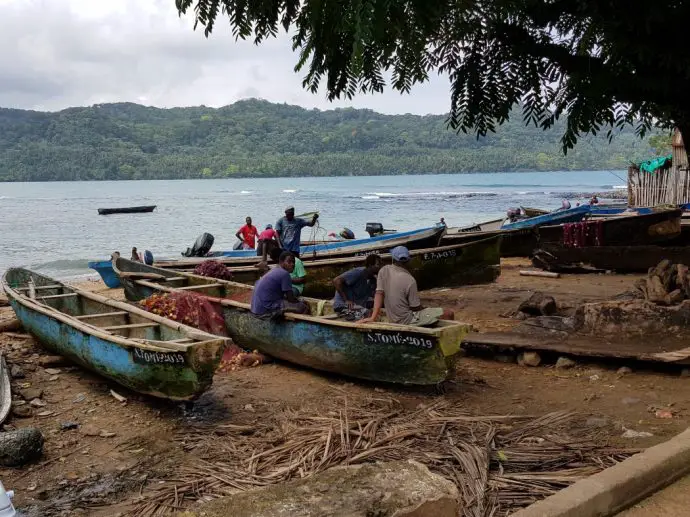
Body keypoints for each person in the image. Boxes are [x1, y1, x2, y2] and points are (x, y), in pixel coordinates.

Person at [359, 246, 452, 327]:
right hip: (407, 320)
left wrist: (372, 318)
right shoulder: (410, 280)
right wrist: (424, 308)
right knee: (448, 313)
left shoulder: (383, 270)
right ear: (408, 260)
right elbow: (415, 307)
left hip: (392, 318)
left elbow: (379, 294)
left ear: (393, 259)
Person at [250, 251, 309, 316]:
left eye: (293, 262)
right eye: (289, 262)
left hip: (255, 307)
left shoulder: (273, 270)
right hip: (265, 309)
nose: (292, 264)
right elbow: (291, 299)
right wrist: (300, 302)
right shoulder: (285, 274)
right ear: (281, 262)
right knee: (303, 307)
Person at [333, 254, 382, 320]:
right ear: (370, 265)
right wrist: (346, 300)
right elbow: (336, 281)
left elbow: (376, 296)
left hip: (356, 306)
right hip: (343, 306)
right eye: (378, 265)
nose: (380, 267)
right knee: (367, 313)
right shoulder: (358, 272)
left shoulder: (373, 280)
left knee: (374, 312)